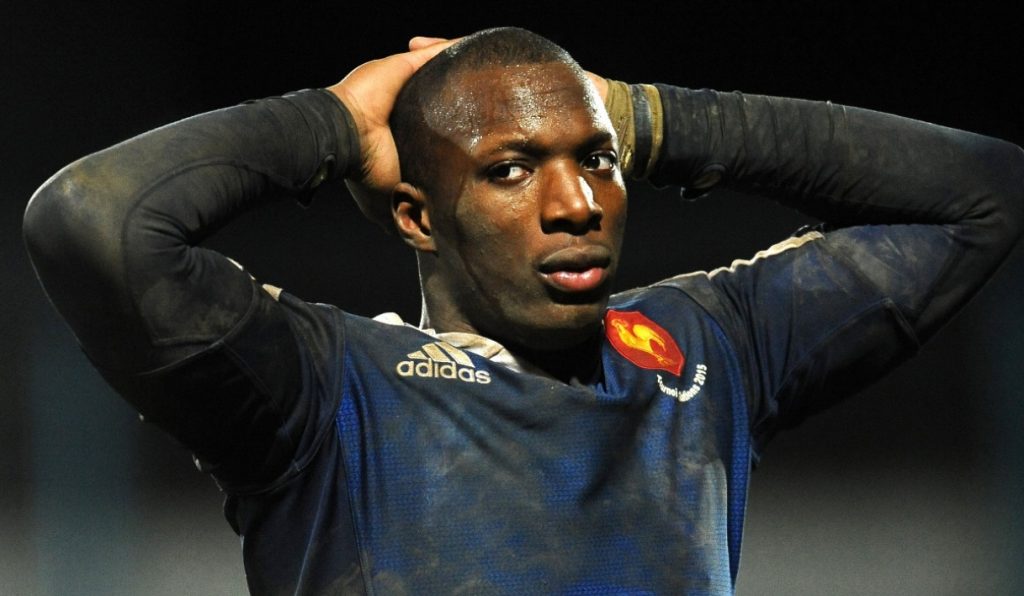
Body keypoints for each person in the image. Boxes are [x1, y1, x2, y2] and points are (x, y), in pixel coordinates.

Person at [22, 26, 1023, 594]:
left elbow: (983, 195)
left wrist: (649, 116)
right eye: (509, 169)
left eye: (595, 160)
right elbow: (94, 220)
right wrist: (331, 122)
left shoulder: (704, 348)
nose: (575, 203)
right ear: (418, 215)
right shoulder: (326, 396)